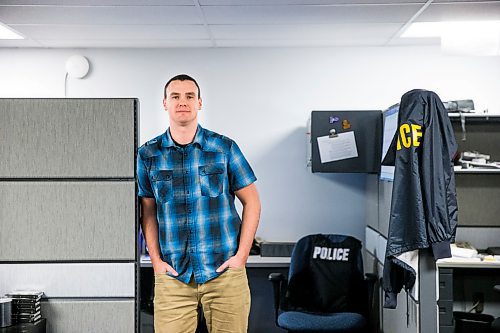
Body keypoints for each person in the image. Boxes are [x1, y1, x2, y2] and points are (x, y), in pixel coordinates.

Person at [137, 74, 261, 333]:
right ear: (165, 103)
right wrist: (156, 262)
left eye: (189, 96)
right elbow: (147, 212)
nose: (183, 102)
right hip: (173, 276)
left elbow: (252, 202)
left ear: (199, 103)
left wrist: (241, 257)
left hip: (224, 271)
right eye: (175, 96)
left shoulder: (223, 148)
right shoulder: (148, 154)